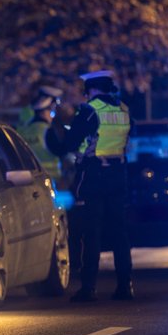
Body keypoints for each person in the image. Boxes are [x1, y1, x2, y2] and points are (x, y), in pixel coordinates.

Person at [46, 70, 133, 302]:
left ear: (91, 89)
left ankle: (88, 288)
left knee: (90, 231)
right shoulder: (123, 109)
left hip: (93, 176)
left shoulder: (89, 110)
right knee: (119, 233)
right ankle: (125, 286)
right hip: (118, 174)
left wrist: (56, 136)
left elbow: (71, 142)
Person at [17, 86, 64, 184]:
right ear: (44, 112)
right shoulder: (47, 130)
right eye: (52, 112)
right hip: (50, 181)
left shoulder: (25, 130)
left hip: (28, 181)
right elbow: (60, 150)